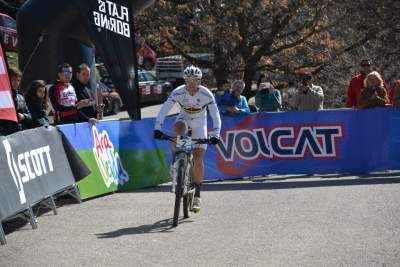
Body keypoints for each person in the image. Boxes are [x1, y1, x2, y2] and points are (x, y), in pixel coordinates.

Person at [153, 65, 221, 212]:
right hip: (184, 119)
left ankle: (197, 195)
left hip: (199, 124)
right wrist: (157, 127)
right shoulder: (178, 92)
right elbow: (164, 109)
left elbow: (215, 116)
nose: (191, 84)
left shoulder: (206, 94)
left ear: (199, 81)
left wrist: (216, 134)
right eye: (188, 81)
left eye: (195, 80)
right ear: (184, 80)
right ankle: (176, 163)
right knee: (178, 129)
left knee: (198, 158)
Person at [0, 67, 32, 134]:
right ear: (7, 79)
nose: (17, 83)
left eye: (18, 80)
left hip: (19, 134)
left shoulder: (20, 97)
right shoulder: (2, 97)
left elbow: (30, 117)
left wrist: (23, 117)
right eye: (14, 80)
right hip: (5, 136)